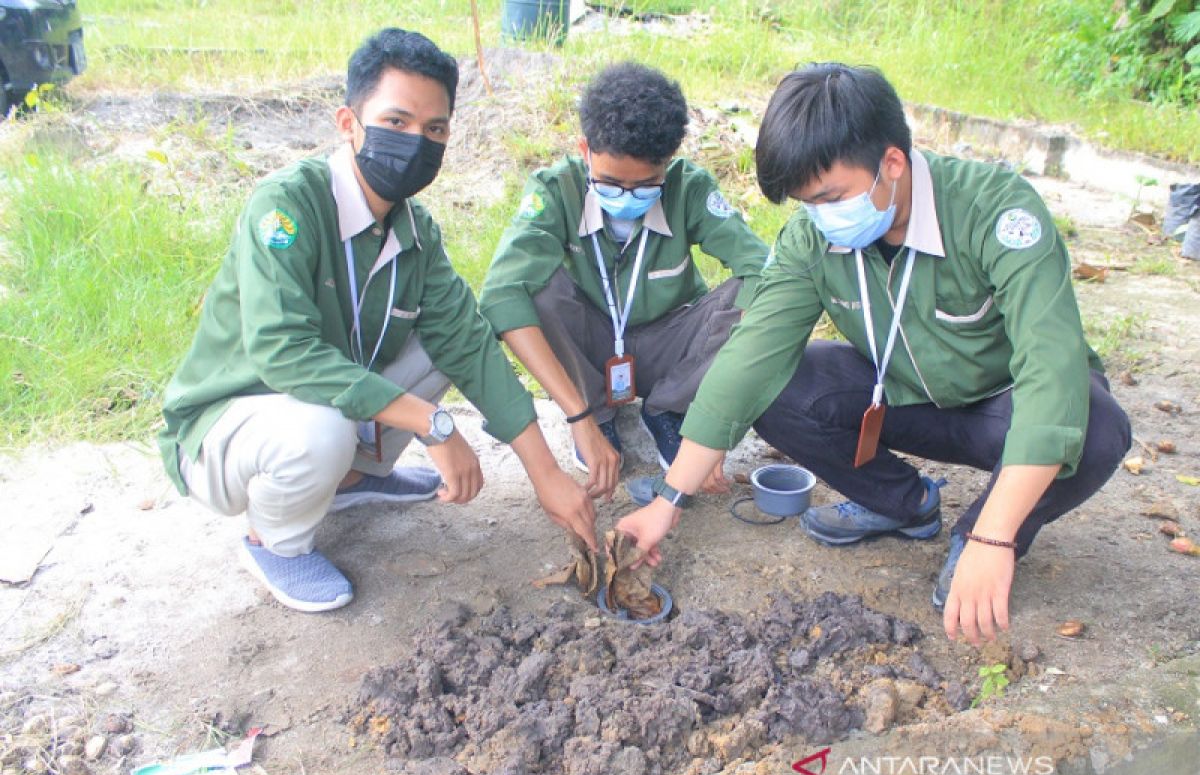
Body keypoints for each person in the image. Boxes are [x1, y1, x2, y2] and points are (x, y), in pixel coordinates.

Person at [616, 63, 1131, 646]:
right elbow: (750, 359)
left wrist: (994, 537)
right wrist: (669, 499)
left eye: (832, 197)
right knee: (781, 387)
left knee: (1095, 426)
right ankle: (903, 505)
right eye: (807, 203)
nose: (822, 217)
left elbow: (1050, 375)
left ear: (891, 163)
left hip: (1004, 411)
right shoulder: (815, 237)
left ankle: (980, 531)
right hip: (904, 396)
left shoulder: (997, 215)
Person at [158, 28, 594, 613]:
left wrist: (546, 475)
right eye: (396, 122)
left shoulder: (414, 231)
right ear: (348, 123)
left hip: (321, 403)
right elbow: (284, 355)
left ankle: (352, 480)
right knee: (319, 431)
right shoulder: (287, 206)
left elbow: (469, 346)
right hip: (230, 426)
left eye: (434, 129)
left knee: (449, 343)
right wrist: (432, 424)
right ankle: (276, 543)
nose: (416, 142)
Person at [478, 62, 770, 500]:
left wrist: (716, 419)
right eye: (612, 183)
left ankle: (670, 409)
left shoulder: (690, 189)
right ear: (585, 151)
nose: (627, 198)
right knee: (535, 285)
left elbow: (764, 270)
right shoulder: (556, 191)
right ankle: (597, 416)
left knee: (760, 295)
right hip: (591, 346)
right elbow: (501, 294)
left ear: (668, 165)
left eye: (647, 185)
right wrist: (576, 415)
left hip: (670, 345)